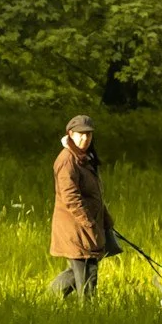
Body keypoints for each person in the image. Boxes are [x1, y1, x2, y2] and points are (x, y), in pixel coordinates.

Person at [49, 113, 111, 298]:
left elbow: (94, 195)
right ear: (70, 134)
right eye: (80, 134)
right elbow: (71, 198)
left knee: (80, 271)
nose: (85, 138)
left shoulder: (84, 157)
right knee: (87, 276)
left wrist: (105, 220)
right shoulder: (67, 160)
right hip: (76, 227)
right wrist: (89, 223)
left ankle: (44, 300)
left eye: (89, 135)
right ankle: (88, 314)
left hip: (87, 226)